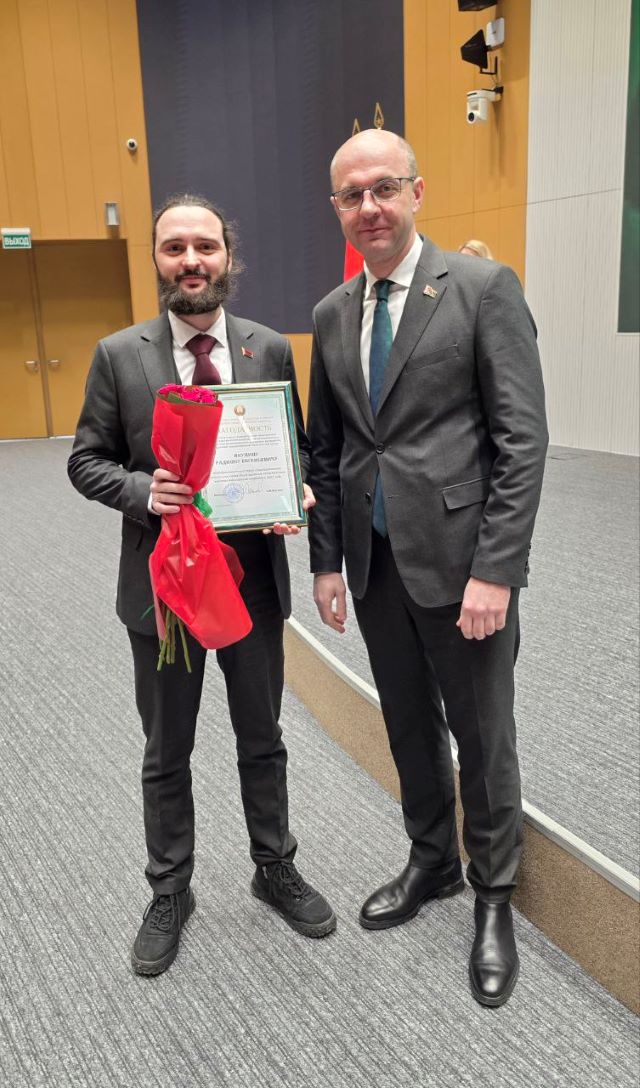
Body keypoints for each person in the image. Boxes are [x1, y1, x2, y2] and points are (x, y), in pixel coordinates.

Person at [306, 130, 547, 1007]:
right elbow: (329, 448)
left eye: (384, 188)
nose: (369, 207)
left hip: (463, 569)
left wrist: (497, 571)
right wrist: (327, 562)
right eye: (352, 195)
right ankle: (433, 859)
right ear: (337, 208)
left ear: (417, 191)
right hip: (375, 567)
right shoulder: (332, 312)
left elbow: (523, 442)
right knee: (408, 725)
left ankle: (494, 892)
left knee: (483, 735)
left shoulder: (482, 289)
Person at [68, 194, 336, 977]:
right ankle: (170, 889)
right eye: (175, 247)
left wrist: (292, 490)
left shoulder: (268, 349)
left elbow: (295, 448)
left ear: (228, 256)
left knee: (263, 737)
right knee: (167, 748)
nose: (192, 261)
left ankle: (273, 865)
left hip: (250, 585)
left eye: (206, 246)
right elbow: (86, 460)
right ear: (157, 259)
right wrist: (140, 490)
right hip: (163, 588)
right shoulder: (119, 355)